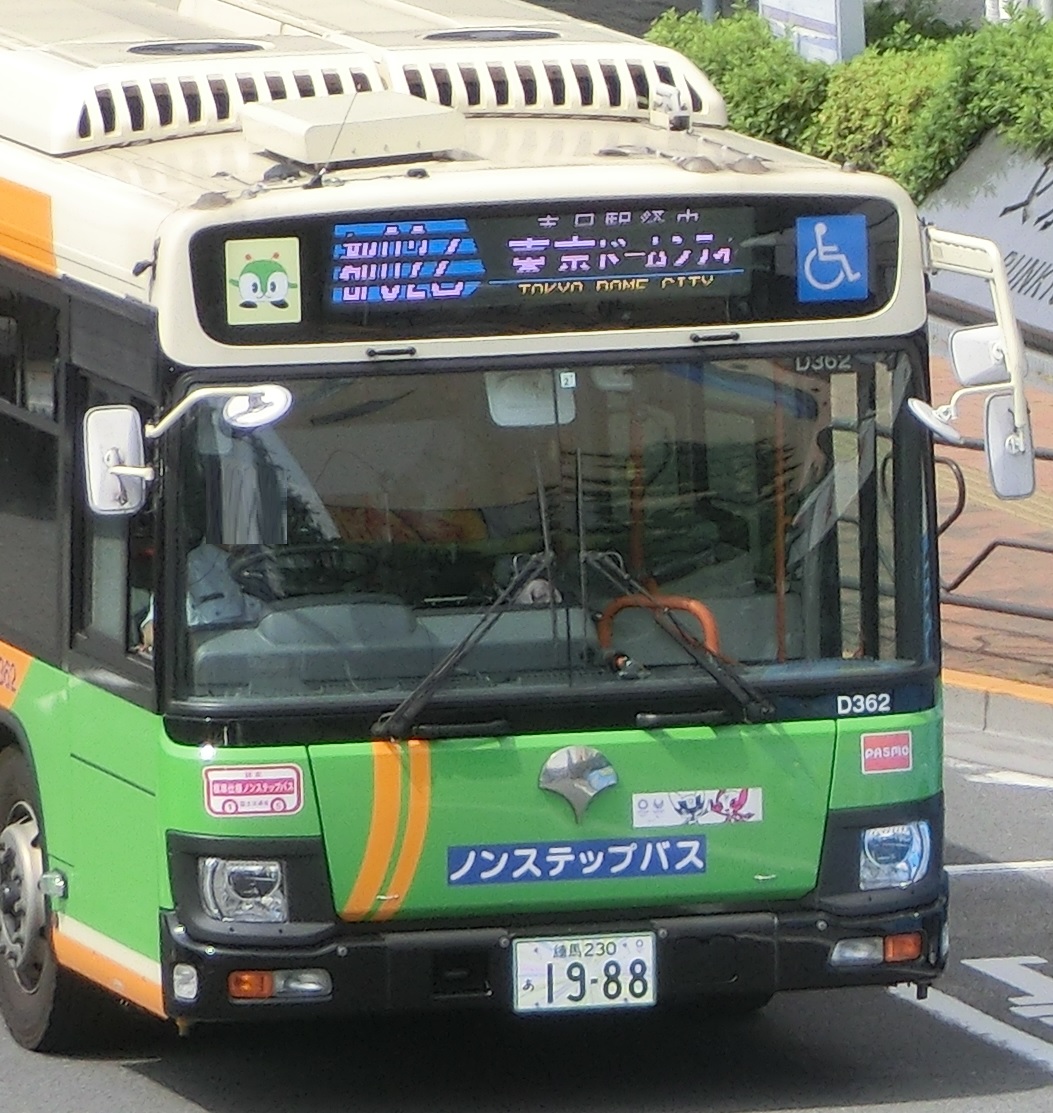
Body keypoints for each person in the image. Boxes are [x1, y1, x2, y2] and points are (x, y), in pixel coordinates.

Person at [138, 541, 263, 654]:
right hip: (211, 663)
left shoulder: (268, 560)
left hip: (266, 660)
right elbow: (153, 627)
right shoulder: (187, 567)